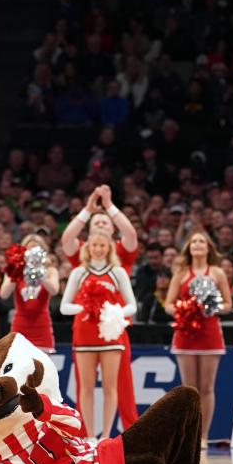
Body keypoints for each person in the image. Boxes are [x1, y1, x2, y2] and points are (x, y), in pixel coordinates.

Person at [61, 185, 139, 431]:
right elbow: (66, 238)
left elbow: (131, 232)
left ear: (113, 230)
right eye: (97, 221)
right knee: (84, 385)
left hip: (113, 328)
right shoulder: (81, 258)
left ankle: (127, 432)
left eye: (106, 222)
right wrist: (88, 209)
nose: (102, 224)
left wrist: (109, 205)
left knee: (120, 384)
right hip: (84, 328)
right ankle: (88, 435)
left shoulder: (120, 255)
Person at [163, 231, 233, 448]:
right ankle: (188, 435)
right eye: (194, 241)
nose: (198, 244)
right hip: (185, 334)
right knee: (189, 388)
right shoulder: (181, 273)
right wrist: (185, 310)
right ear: (189, 247)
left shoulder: (218, 273)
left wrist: (212, 308)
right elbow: (168, 304)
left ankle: (203, 436)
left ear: (208, 247)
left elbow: (229, 305)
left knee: (207, 387)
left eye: (202, 241)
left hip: (210, 333)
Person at [0, 234, 60, 352]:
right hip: (20, 325)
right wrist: (16, 272)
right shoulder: (14, 270)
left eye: (35, 249)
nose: (32, 253)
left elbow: (54, 290)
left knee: (42, 368)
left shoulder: (50, 270)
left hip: (42, 326)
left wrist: (39, 272)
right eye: (29, 249)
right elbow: (4, 294)